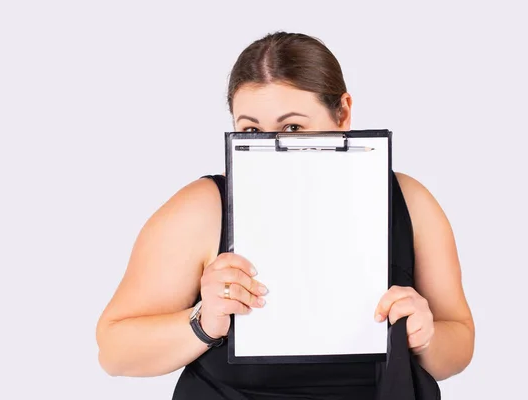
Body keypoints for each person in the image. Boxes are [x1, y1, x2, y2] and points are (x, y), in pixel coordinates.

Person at [95, 31, 475, 399]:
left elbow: (459, 345)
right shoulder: (202, 209)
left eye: (293, 126)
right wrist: (202, 322)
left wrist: (426, 337)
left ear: (342, 113)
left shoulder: (409, 201)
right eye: (251, 129)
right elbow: (113, 352)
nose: (273, 145)